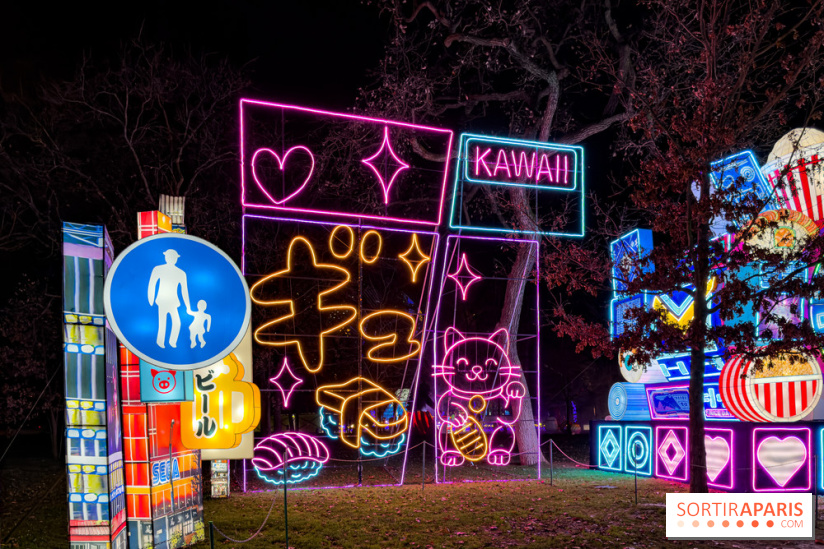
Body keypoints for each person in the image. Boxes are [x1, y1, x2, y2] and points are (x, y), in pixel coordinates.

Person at [147, 249, 192, 348]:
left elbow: (184, 291)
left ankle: (172, 342)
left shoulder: (181, 273)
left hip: (173, 302)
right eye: (169, 257)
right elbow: (152, 284)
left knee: (177, 322)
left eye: (173, 257)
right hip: (162, 301)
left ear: (176, 259)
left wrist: (188, 307)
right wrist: (151, 298)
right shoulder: (158, 269)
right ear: (166, 257)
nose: (171, 259)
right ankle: (160, 342)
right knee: (162, 322)